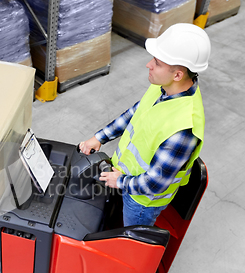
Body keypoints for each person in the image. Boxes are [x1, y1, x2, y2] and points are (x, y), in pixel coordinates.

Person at [79, 23, 211, 227]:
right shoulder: (164, 89)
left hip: (141, 200)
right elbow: (134, 114)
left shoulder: (184, 129)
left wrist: (120, 182)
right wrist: (99, 137)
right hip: (124, 176)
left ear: (177, 74)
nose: (148, 64)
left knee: (131, 240)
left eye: (157, 63)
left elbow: (155, 183)